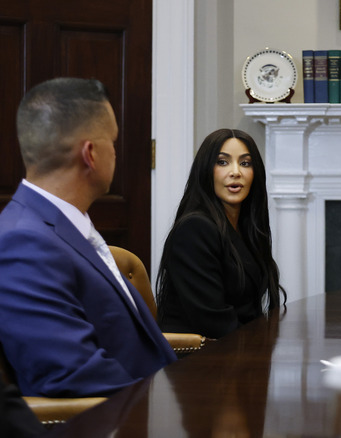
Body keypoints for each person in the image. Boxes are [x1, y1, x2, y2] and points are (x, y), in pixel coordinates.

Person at [0, 78, 176, 397]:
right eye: (113, 141)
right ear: (91, 154)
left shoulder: (64, 227)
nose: (116, 152)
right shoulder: (22, 243)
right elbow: (73, 378)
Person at [156, 129, 285, 339]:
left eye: (245, 163)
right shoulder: (194, 229)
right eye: (222, 162)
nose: (235, 172)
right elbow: (213, 322)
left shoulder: (247, 229)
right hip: (198, 360)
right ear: (206, 170)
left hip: (235, 351)